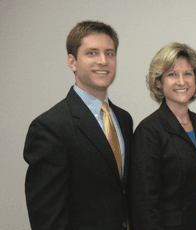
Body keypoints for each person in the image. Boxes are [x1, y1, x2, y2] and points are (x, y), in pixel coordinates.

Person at [23, 20, 133, 229]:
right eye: (92, 53)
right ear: (72, 62)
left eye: (109, 53)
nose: (103, 61)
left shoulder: (123, 119)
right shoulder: (50, 127)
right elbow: (47, 217)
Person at [130, 42, 196, 230]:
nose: (181, 82)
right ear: (159, 81)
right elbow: (144, 204)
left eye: (188, 74)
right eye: (172, 75)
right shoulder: (149, 131)